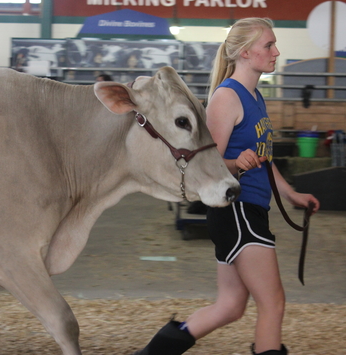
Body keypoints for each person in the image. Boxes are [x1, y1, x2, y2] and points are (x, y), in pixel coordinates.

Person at [132, 17, 320, 355]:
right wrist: (235, 163)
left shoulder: (254, 96)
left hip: (247, 211)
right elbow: (207, 162)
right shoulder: (227, 97)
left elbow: (263, 157)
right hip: (238, 210)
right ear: (246, 53)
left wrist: (291, 193)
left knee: (231, 306)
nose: (276, 52)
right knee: (273, 303)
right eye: (269, 45)